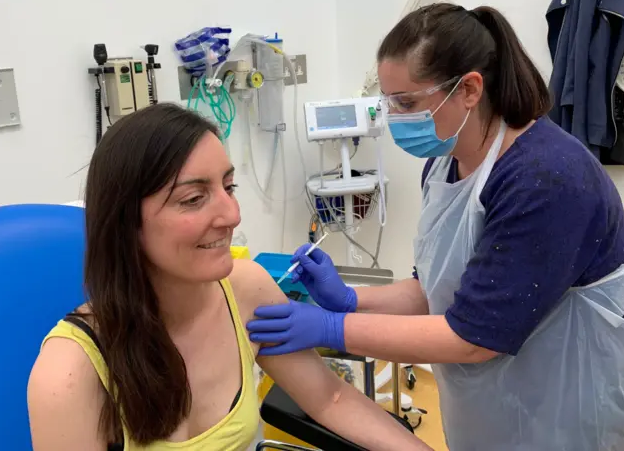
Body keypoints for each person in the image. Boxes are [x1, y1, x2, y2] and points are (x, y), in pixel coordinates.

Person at [247, 3, 624, 450]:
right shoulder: (443, 164)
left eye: (406, 103)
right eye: (388, 103)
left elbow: (474, 337)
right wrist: (353, 299)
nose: (394, 119)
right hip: (500, 396)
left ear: (469, 89)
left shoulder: (546, 177)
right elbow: (438, 286)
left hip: (576, 396)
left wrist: (333, 327)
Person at [26, 103, 430, 451]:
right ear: (125, 222)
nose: (232, 215)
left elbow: (331, 399)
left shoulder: (246, 289)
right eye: (194, 199)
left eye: (228, 187)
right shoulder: (70, 372)